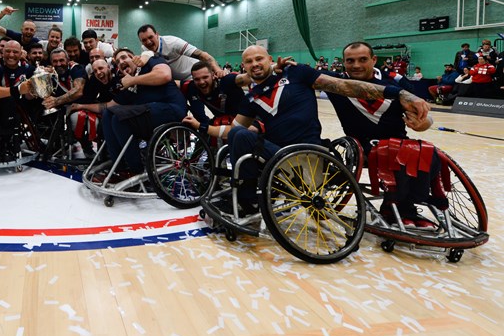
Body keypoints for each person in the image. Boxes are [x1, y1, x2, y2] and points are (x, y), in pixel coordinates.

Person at [181, 45, 428, 212]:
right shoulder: (252, 98)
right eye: (249, 61)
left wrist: (400, 93)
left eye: (259, 59)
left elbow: (346, 86)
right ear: (243, 67)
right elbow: (231, 129)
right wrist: (201, 126)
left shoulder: (298, 73)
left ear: (269, 60)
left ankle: (246, 199)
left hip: (309, 153)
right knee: (238, 133)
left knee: (240, 134)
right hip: (278, 156)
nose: (255, 64)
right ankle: (247, 200)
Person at [324, 42, 435, 227]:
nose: (356, 65)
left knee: (428, 154)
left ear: (374, 60)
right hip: (359, 145)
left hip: (398, 141)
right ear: (343, 63)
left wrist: (422, 124)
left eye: (363, 60)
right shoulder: (335, 83)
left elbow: (427, 120)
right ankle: (394, 208)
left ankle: (409, 206)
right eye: (350, 61)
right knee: (392, 154)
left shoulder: (396, 84)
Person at [100, 48, 187, 175]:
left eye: (124, 57)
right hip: (150, 113)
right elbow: (110, 105)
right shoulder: (128, 84)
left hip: (171, 109)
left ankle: (136, 170)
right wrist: (80, 106)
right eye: (118, 61)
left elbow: (165, 75)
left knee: (120, 119)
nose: (121, 62)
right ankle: (119, 168)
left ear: (134, 57)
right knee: (108, 114)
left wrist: (133, 80)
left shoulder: (151, 61)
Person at [137, 24, 223, 81]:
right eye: (144, 40)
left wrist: (217, 69)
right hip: (176, 82)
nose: (148, 42)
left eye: (150, 37)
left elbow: (203, 55)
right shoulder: (145, 49)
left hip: (192, 77)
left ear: (157, 34)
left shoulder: (173, 43)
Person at [182, 60, 248, 133]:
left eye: (205, 77)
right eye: (197, 79)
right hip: (219, 123)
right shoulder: (192, 86)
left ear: (213, 75)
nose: (201, 82)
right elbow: (172, 83)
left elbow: (248, 78)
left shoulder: (226, 81)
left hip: (246, 121)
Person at [69, 59, 117, 156]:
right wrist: (76, 106)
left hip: (118, 111)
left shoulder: (119, 78)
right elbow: (86, 98)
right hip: (102, 111)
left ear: (108, 67)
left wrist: (83, 106)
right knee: (78, 118)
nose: (98, 73)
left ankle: (108, 153)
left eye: (100, 68)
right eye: (95, 71)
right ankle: (87, 148)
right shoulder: (94, 80)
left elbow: (112, 105)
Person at [42, 48, 86, 112]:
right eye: (55, 61)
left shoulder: (76, 68)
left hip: (82, 108)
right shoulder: (51, 75)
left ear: (68, 60)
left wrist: (56, 101)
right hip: (62, 110)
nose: (58, 64)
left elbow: (78, 91)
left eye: (61, 60)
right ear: (51, 63)